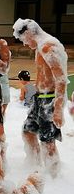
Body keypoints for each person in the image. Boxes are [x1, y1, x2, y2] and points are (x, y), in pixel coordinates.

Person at [13, 18, 68, 178]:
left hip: (50, 100)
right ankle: (34, 166)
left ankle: (54, 176)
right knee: (28, 131)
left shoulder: (47, 46)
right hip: (40, 97)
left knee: (47, 140)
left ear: (29, 33)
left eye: (23, 38)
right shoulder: (40, 47)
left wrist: (58, 109)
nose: (23, 43)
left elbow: (61, 79)